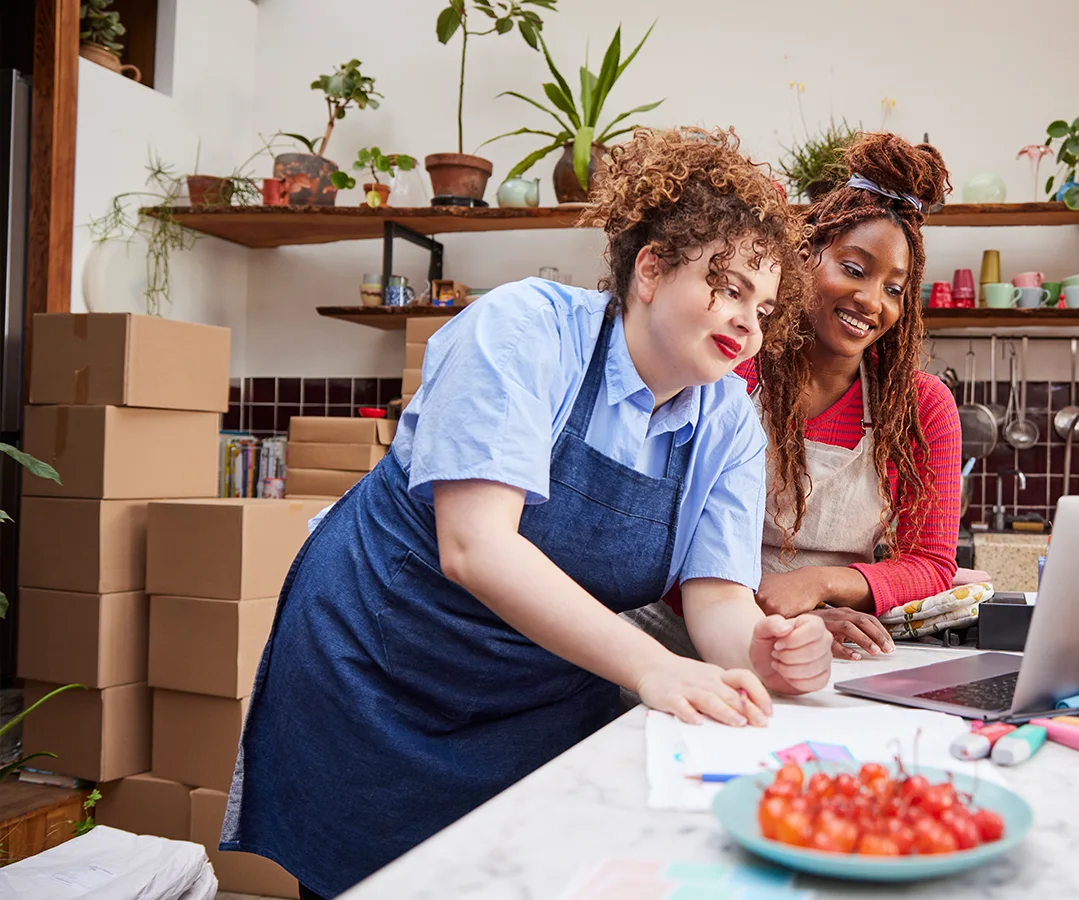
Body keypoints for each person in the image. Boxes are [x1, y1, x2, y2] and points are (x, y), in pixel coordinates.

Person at [221, 128, 833, 900]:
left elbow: (716, 600)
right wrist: (652, 665)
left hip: (537, 688)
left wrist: (761, 654)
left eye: (765, 305)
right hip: (383, 663)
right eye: (730, 287)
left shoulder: (729, 423)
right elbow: (476, 547)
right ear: (650, 270)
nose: (749, 321)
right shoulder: (524, 330)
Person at [637, 132, 974, 661]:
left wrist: (820, 586)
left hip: (830, 634)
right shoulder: (733, 368)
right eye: (854, 269)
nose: (870, 301)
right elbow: (662, 530)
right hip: (684, 622)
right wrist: (756, 607)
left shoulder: (921, 405)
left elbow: (930, 561)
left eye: (894, 288)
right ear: (806, 257)